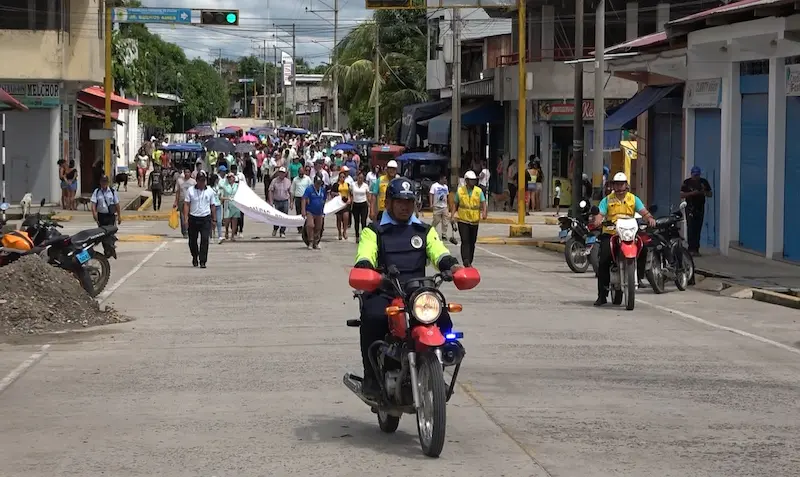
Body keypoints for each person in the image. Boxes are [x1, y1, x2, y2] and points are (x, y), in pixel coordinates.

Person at [353, 176, 462, 399]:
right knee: (372, 317)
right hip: (385, 291)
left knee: (444, 321)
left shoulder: (424, 231)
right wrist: (365, 269)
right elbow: (365, 255)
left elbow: (439, 252)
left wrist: (452, 266)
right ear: (389, 202)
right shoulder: (373, 231)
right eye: (400, 201)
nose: (405, 206)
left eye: (409, 201)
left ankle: (436, 366)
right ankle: (371, 378)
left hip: (417, 294)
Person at [591, 172, 656, 306]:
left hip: (629, 232)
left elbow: (643, 212)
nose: (620, 187)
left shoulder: (633, 199)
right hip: (611, 232)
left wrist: (649, 218)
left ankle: (639, 277)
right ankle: (602, 295)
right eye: (617, 184)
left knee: (643, 249)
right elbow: (601, 214)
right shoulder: (607, 200)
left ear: (626, 185)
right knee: (603, 258)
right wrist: (597, 221)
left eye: (622, 184)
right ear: (613, 186)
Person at [451, 171, 487, 267]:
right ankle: (466, 260)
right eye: (471, 180)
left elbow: (483, 202)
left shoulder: (478, 191)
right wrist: (452, 216)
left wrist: (484, 212)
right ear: (466, 180)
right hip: (463, 220)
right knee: (465, 241)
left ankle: (470, 260)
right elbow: (455, 204)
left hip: (474, 221)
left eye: (474, 180)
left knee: (472, 242)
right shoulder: (460, 191)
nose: (473, 182)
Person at [183, 171, 217, 268]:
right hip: (193, 218)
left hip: (205, 218)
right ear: (197, 181)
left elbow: (213, 205)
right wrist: (186, 218)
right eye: (200, 181)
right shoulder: (190, 190)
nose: (202, 183)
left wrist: (214, 219)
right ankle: (195, 256)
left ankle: (203, 261)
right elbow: (186, 204)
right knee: (192, 241)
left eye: (203, 181)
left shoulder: (210, 191)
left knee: (205, 239)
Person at [680, 166, 712, 256]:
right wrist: (691, 194)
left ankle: (696, 249)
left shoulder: (703, 182)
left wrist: (703, 192)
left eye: (697, 175)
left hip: (700, 207)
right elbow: (681, 194)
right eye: (694, 175)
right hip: (690, 207)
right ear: (691, 174)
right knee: (690, 227)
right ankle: (691, 249)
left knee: (698, 228)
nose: (696, 177)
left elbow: (710, 194)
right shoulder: (687, 183)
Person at [90, 175, 122, 258]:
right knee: (103, 234)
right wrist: (94, 214)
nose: (104, 183)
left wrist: (119, 216)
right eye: (102, 181)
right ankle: (107, 250)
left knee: (110, 234)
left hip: (110, 216)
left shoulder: (112, 191)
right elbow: (93, 204)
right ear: (100, 182)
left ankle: (111, 248)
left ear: (107, 182)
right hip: (101, 216)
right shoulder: (97, 192)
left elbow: (117, 204)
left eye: (105, 182)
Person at [302, 174, 327, 250]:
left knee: (318, 227)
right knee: (310, 225)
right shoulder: (309, 189)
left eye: (320, 183)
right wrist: (303, 210)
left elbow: (324, 199)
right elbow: (304, 199)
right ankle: (310, 241)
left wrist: (323, 210)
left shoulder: (322, 190)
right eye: (317, 183)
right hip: (310, 211)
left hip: (319, 212)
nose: (318, 185)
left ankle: (316, 242)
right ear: (314, 182)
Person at [268, 167, 291, 238]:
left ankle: (282, 231)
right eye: (280, 172)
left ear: (285, 174)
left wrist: (292, 202)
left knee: (284, 217)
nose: (281, 174)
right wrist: (271, 201)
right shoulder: (274, 181)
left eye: (283, 173)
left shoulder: (288, 181)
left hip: (285, 201)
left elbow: (290, 192)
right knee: (276, 217)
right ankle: (275, 228)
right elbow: (270, 191)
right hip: (276, 201)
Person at [291, 165, 313, 234]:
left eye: (302, 173)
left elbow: (311, 189)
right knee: (299, 213)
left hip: (306, 199)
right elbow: (292, 191)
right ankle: (299, 228)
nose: (301, 174)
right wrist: (291, 202)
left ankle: (306, 227)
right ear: (298, 173)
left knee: (307, 213)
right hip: (298, 198)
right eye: (300, 173)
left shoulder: (308, 179)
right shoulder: (295, 179)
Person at [174, 169, 196, 238]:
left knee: (190, 217)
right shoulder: (180, 181)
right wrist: (176, 202)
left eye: (188, 172)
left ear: (190, 173)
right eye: (185, 172)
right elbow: (178, 192)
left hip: (191, 202)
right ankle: (184, 231)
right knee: (183, 218)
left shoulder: (193, 182)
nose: (187, 174)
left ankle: (190, 230)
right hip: (182, 201)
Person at [429, 174, 450, 241]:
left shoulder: (446, 187)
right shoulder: (434, 186)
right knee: (436, 220)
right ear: (440, 179)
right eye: (444, 179)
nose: (445, 180)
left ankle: (444, 234)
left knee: (445, 221)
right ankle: (431, 231)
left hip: (444, 206)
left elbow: (447, 196)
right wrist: (431, 204)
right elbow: (431, 194)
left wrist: (448, 205)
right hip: (437, 206)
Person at [220, 173, 241, 242]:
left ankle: (232, 236)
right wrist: (227, 198)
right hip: (228, 204)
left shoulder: (237, 186)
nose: (229, 178)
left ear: (234, 178)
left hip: (235, 205)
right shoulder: (224, 186)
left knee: (235, 221)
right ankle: (226, 231)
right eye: (228, 177)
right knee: (227, 220)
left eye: (231, 177)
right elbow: (221, 197)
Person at [350, 170, 370, 243]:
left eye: (362, 178)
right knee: (356, 221)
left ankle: (364, 236)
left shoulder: (365, 185)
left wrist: (369, 203)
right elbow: (351, 194)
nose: (360, 179)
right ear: (357, 178)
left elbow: (368, 195)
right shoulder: (353, 185)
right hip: (356, 204)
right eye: (359, 178)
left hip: (363, 204)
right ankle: (357, 236)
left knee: (363, 221)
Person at [331, 170, 351, 240]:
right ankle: (339, 231)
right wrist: (337, 194)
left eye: (343, 177)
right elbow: (332, 193)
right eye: (341, 177)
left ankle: (344, 231)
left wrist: (349, 199)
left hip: (345, 203)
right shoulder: (336, 185)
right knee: (339, 218)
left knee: (346, 217)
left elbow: (349, 193)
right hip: (338, 203)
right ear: (339, 177)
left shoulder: (347, 184)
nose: (342, 178)